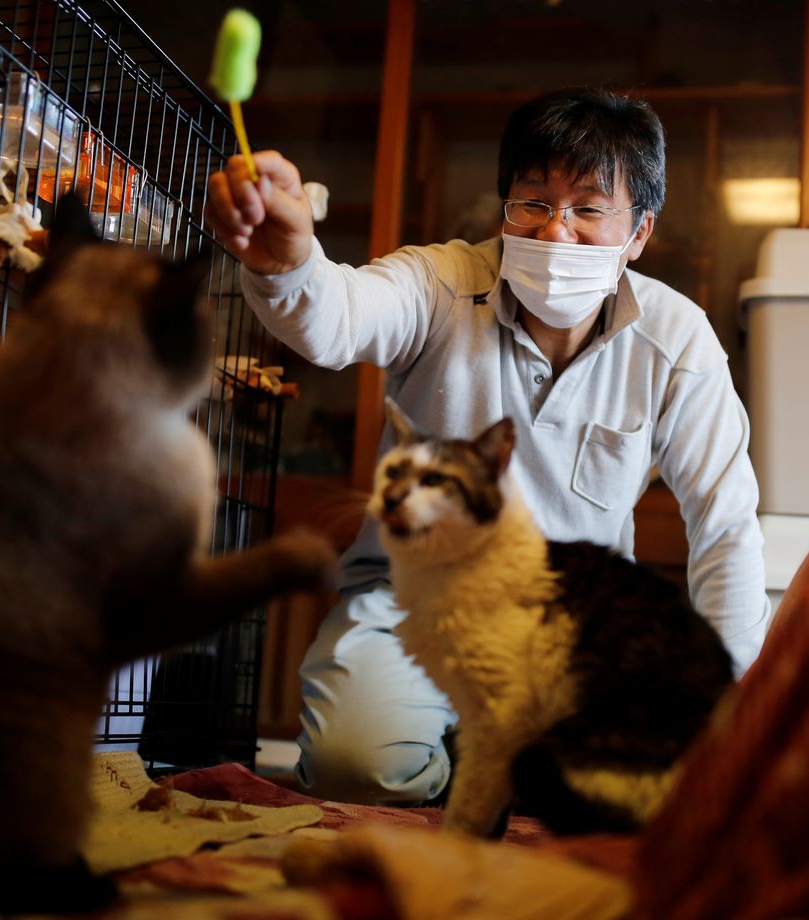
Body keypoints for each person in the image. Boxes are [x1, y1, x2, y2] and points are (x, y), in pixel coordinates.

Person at [204, 86, 771, 806]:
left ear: (639, 233)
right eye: (533, 202)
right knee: (360, 767)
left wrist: (728, 697)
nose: (555, 232)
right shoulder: (439, 283)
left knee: (628, 788)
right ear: (504, 207)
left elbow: (724, 525)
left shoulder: (678, 340)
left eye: (589, 209)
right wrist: (287, 263)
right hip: (414, 598)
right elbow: (338, 316)